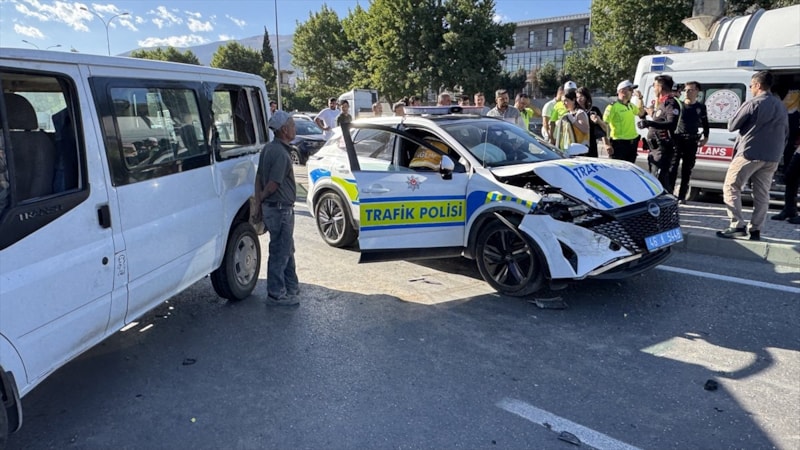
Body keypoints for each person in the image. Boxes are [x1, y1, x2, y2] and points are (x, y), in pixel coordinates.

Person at [717, 71, 789, 241]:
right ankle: (756, 230)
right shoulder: (781, 106)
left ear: (757, 85)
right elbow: (786, 133)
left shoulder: (753, 103)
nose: (750, 89)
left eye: (750, 86)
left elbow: (732, 125)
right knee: (762, 194)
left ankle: (737, 225)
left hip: (749, 153)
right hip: (772, 157)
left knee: (731, 186)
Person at [255, 110, 300, 306]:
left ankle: (291, 287)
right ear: (284, 130)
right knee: (280, 252)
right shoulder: (280, 153)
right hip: (280, 209)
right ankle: (276, 293)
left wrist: (259, 203)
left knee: (286, 249)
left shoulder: (269, 148)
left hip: (275, 208)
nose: (294, 128)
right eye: (291, 125)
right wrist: (263, 198)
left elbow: (258, 178)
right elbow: (273, 183)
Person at [637, 74, 681, 192]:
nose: (653, 88)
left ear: (660, 87)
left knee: (659, 179)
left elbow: (671, 124)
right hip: (654, 147)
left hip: (663, 148)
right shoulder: (661, 104)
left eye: (654, 86)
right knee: (654, 176)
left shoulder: (670, 103)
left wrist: (650, 124)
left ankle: (666, 206)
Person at [669, 81, 709, 203]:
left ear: (697, 92)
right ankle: (670, 194)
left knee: (687, 169)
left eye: (690, 90)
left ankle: (682, 196)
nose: (687, 92)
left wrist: (706, 137)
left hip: (691, 140)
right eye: (685, 90)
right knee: (673, 168)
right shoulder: (678, 105)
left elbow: (705, 123)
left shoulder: (700, 107)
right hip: (678, 139)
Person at [603, 80, 641, 163]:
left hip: (632, 143)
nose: (632, 92)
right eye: (630, 90)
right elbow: (603, 125)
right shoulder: (612, 107)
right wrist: (606, 144)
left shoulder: (630, 105)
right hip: (619, 144)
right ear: (622, 91)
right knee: (618, 171)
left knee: (630, 171)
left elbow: (641, 113)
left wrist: (640, 99)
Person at [576, 87, 608, 157]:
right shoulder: (575, 112)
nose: (579, 99)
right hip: (579, 143)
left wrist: (598, 121)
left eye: (581, 96)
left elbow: (605, 128)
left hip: (592, 143)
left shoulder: (594, 110)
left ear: (586, 96)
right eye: (577, 97)